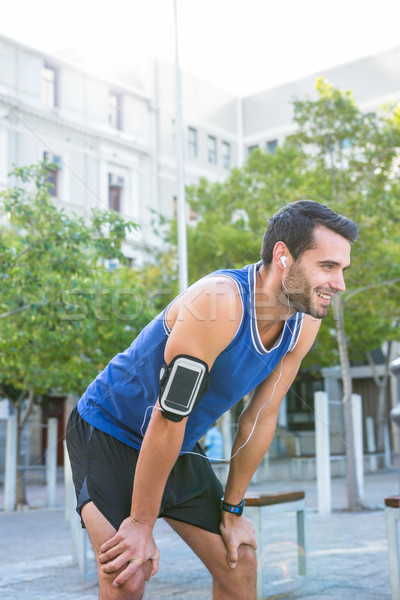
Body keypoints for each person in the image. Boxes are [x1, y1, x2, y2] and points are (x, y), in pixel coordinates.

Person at [66, 200, 358, 600]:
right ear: (283, 256)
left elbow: (261, 416)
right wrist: (140, 521)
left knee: (239, 566)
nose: (339, 283)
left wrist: (232, 511)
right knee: (127, 575)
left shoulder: (303, 324)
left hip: (177, 443)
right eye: (328, 266)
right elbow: (167, 416)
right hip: (108, 431)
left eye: (342, 270)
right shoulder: (219, 302)